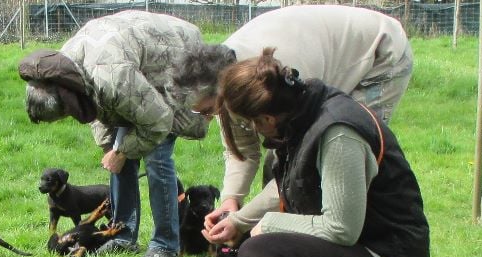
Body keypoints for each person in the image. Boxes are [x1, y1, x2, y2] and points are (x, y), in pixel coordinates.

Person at [203, 50, 430, 257]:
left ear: (266, 118)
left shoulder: (337, 132)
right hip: (349, 255)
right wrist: (238, 221)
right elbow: (288, 184)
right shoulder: (298, 116)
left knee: (259, 254)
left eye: (249, 122)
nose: (251, 129)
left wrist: (268, 227)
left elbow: (341, 229)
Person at [174, 4, 414, 228]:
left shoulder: (276, 79)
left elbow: (297, 168)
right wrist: (230, 199)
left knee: (338, 153)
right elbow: (241, 150)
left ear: (221, 91)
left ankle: (346, 235)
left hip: (379, 53)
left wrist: (247, 221)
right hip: (322, 48)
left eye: (206, 111)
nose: (206, 118)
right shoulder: (225, 74)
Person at [19, 11, 212, 257]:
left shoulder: (112, 78)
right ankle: (123, 235)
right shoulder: (64, 71)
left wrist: (121, 152)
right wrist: (110, 148)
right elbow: (97, 107)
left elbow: (158, 122)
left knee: (157, 156)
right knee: (119, 154)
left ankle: (165, 244)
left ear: (65, 103)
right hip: (132, 66)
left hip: (172, 59)